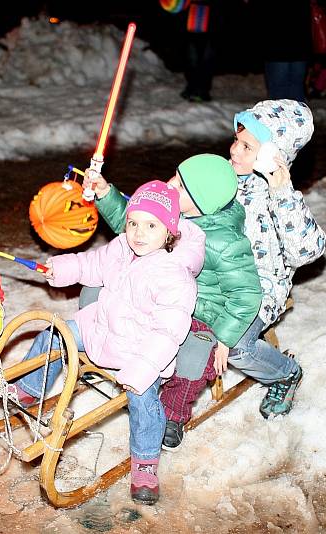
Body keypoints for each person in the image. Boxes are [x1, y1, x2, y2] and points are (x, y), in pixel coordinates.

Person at [11, 180, 206, 505]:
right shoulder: (121, 248)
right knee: (55, 333)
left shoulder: (175, 274)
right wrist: (60, 268)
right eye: (133, 223)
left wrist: (143, 367)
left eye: (151, 225)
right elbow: (91, 264)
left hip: (143, 352)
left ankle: (145, 462)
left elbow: (169, 331)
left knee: (143, 399)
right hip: (102, 330)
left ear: (169, 231)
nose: (139, 233)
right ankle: (31, 388)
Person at [83, 154, 264, 447]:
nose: (169, 185)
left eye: (180, 186)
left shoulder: (224, 242)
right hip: (160, 295)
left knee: (193, 357)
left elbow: (247, 294)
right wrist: (105, 193)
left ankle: (173, 412)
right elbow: (132, 223)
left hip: (204, 311)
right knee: (105, 295)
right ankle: (108, 349)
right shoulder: (172, 212)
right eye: (175, 176)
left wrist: (225, 338)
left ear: (202, 203)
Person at [254, 0, 312, 102]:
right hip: (296, 42)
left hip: (280, 44)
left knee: (282, 89)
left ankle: (288, 116)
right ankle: (295, 115)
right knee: (294, 88)